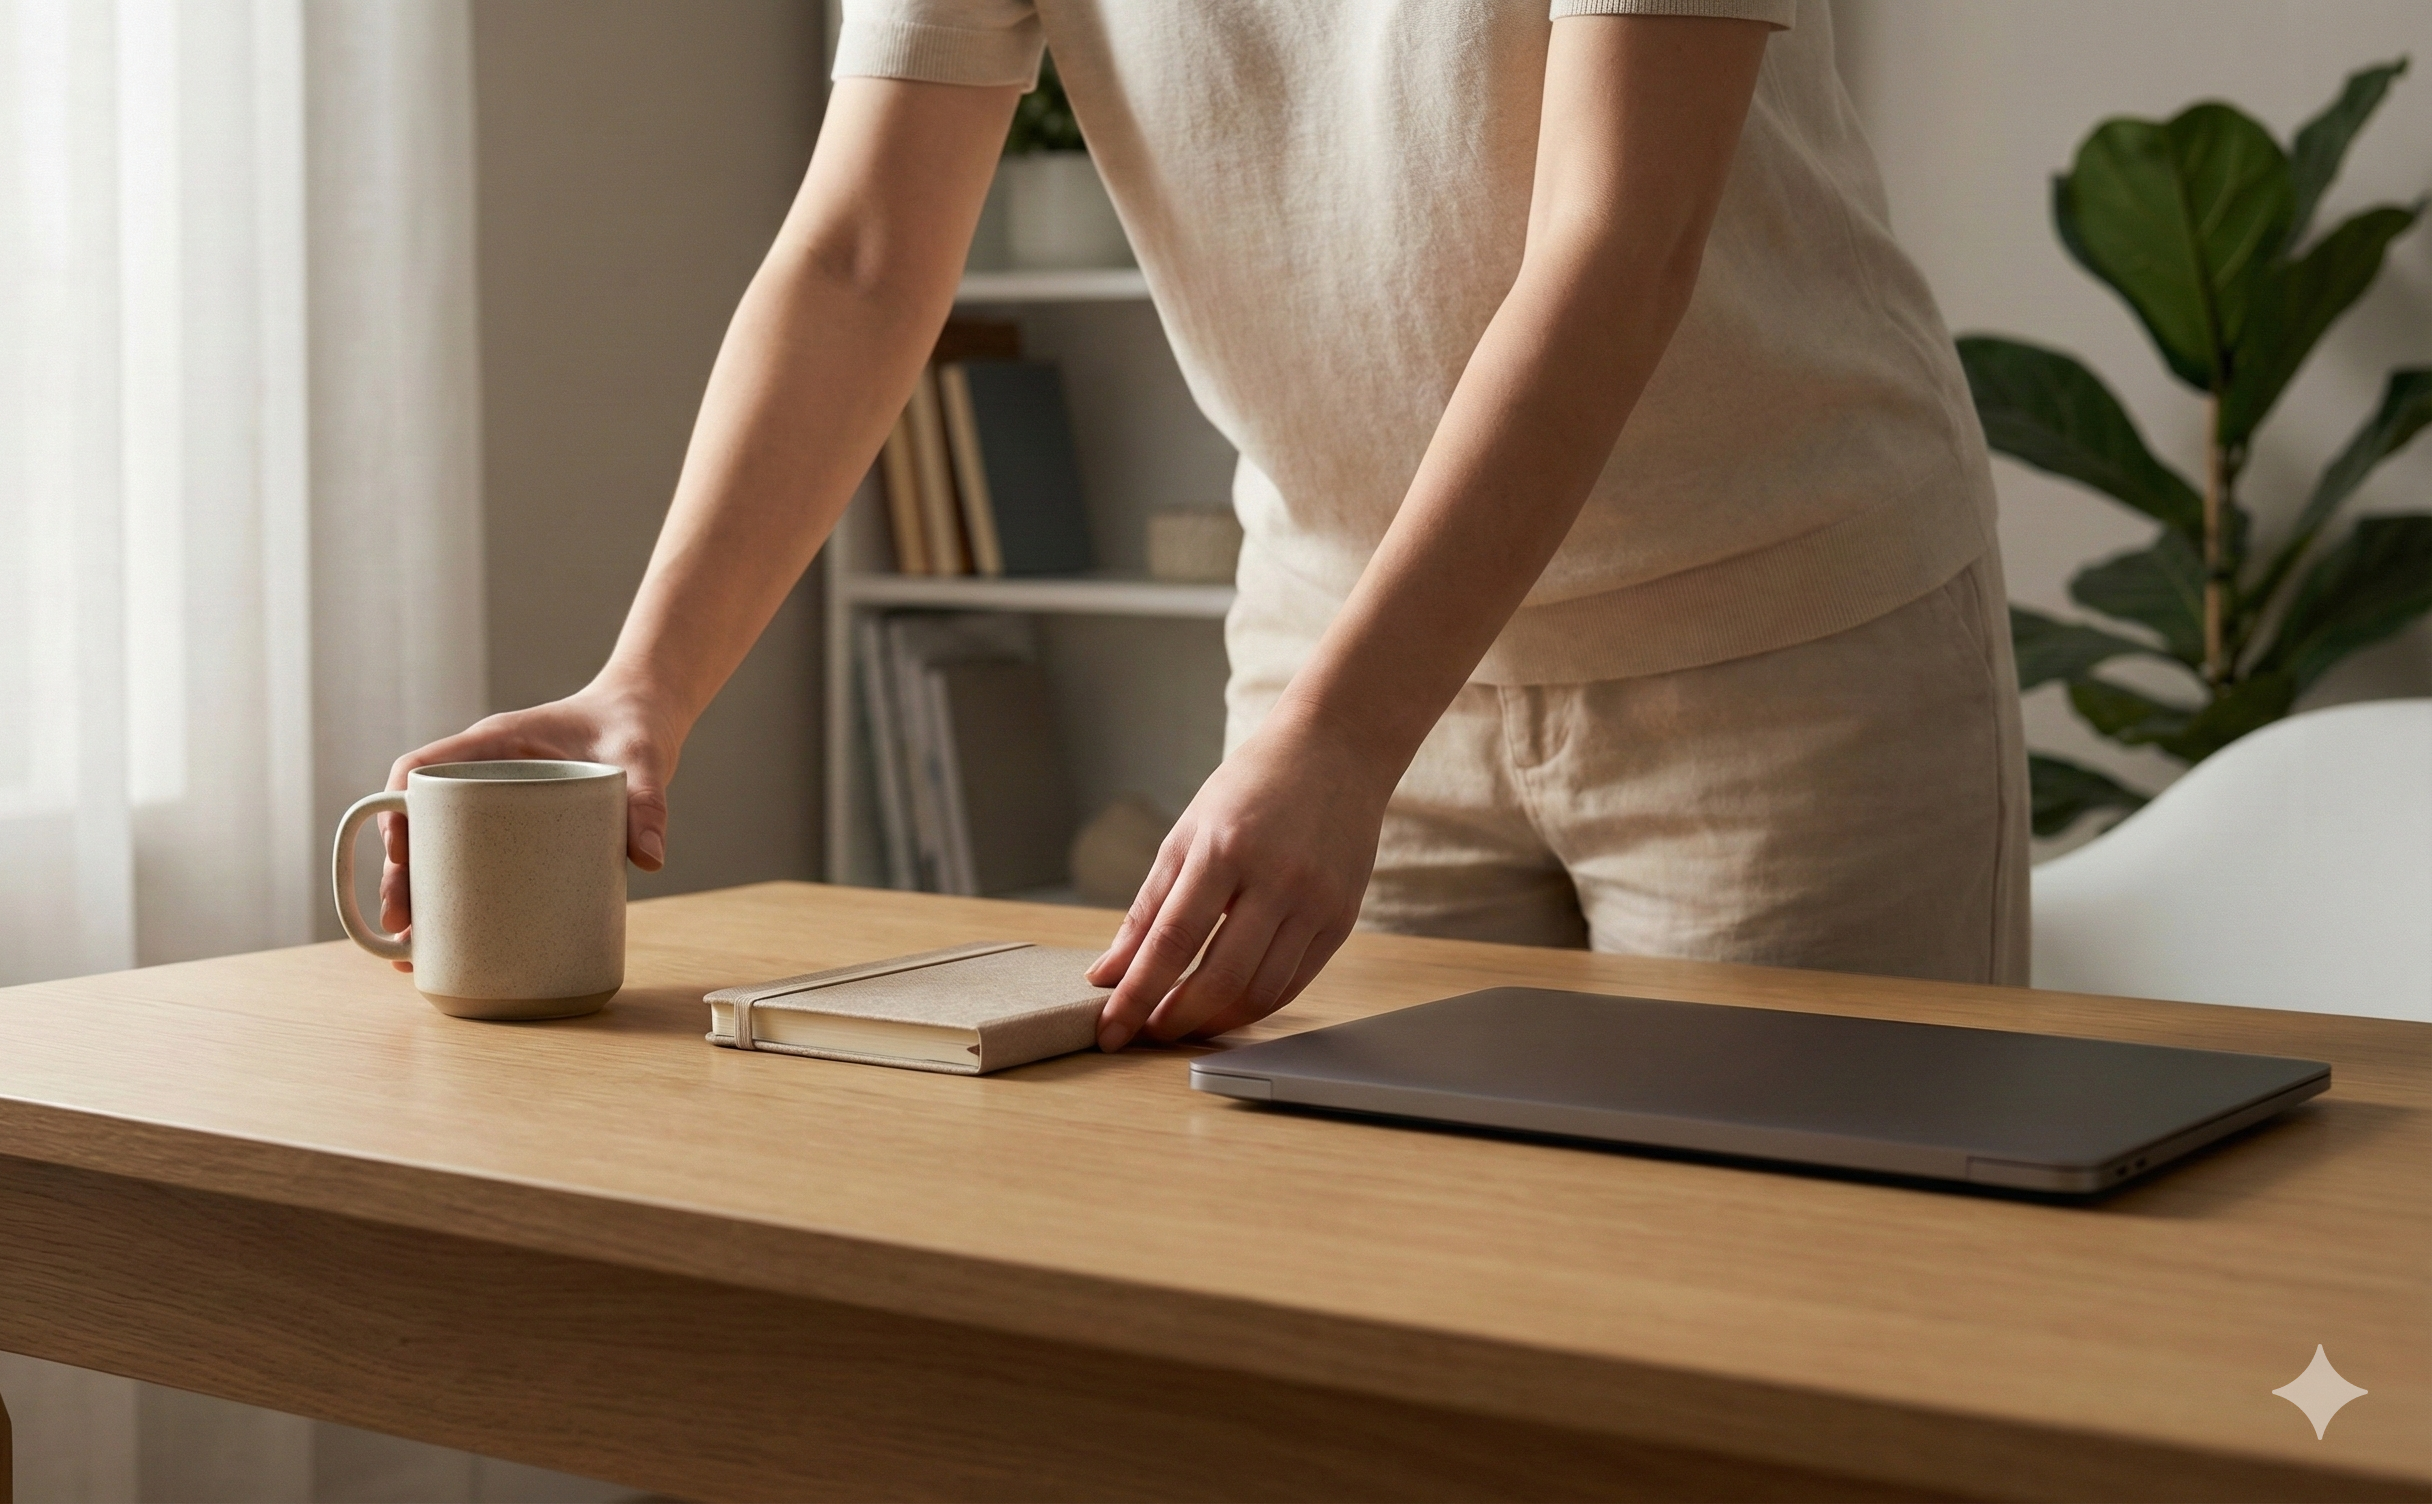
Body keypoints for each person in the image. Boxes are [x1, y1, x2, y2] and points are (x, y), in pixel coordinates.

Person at [383, 0, 2027, 1052]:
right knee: (1377, 1334)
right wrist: (643, 684)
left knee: (1801, 1331)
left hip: (1780, 648)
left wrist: (1341, 737)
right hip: (1340, 662)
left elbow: (1617, 242)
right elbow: (864, 256)